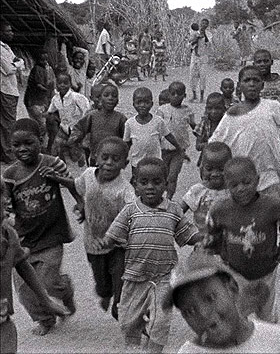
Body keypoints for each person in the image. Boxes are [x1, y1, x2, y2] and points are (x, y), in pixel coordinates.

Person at [98, 157, 201, 353]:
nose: (150, 187)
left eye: (156, 182)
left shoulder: (173, 210)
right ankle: (134, 344)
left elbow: (187, 234)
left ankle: (154, 350)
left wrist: (204, 239)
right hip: (135, 276)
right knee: (128, 320)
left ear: (166, 184)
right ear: (135, 185)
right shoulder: (130, 211)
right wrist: (107, 241)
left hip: (163, 277)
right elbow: (114, 233)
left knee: (161, 321)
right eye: (143, 182)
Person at [2, 118, 79, 335]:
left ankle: (65, 290)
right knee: (24, 288)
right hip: (24, 239)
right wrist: (6, 218)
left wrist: (80, 203)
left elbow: (73, 185)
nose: (22, 149)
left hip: (51, 236)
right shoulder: (10, 175)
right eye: (16, 145)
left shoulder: (52, 163)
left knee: (49, 281)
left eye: (28, 143)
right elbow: (5, 203)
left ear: (42, 140)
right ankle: (45, 319)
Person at [47, 136, 136, 320]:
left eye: (115, 159)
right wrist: (59, 179)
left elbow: (132, 214)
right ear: (96, 157)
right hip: (93, 243)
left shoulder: (125, 190)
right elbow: (77, 186)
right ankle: (106, 294)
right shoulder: (88, 175)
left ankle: (119, 306)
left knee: (119, 275)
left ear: (125, 163)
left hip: (118, 245)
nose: (109, 163)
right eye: (105, 157)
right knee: (102, 284)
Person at [205, 157, 280, 322]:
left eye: (246, 182)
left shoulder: (271, 206)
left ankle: (268, 340)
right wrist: (220, 254)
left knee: (265, 313)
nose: (240, 189)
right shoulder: (221, 209)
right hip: (235, 271)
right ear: (227, 185)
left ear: (257, 180)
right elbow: (213, 231)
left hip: (266, 271)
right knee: (238, 312)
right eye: (234, 185)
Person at [210, 66, 280, 199]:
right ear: (239, 86)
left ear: (262, 85)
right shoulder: (232, 114)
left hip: (269, 175)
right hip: (243, 178)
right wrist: (211, 172)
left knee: (271, 214)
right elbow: (215, 144)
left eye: (256, 80)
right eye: (247, 80)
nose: (252, 84)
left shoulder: (273, 107)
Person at [165, 252, 280, 353]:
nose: (203, 313)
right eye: (189, 311)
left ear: (232, 289)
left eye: (210, 298)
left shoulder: (273, 339)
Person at [0, 195, 69, 353]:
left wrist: (46, 300)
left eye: (2, 194)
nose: (5, 200)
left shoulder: (9, 234)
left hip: (3, 320)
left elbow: (22, 264)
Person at [124, 87, 187, 180]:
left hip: (156, 162)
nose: (142, 105)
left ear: (152, 104)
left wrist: (179, 148)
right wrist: (123, 158)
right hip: (137, 162)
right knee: (137, 183)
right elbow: (126, 143)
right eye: (139, 102)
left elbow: (168, 135)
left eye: (146, 102)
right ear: (134, 104)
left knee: (155, 182)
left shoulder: (158, 121)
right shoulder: (129, 123)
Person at [68, 83, 127, 166]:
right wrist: (75, 142)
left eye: (114, 96)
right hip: (95, 157)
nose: (110, 98)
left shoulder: (121, 118)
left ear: (117, 100)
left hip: (114, 159)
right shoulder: (92, 116)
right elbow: (79, 128)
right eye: (106, 95)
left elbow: (127, 138)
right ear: (100, 99)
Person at [157, 81, 196, 200]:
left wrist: (202, 133)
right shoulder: (162, 110)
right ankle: (158, 197)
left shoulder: (187, 111)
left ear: (184, 95)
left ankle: (169, 198)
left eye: (179, 94)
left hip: (179, 151)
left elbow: (194, 126)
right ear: (168, 94)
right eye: (172, 93)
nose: (175, 96)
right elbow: (156, 127)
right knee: (162, 175)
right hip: (163, 149)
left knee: (172, 176)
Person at [181, 142, 232, 234]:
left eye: (221, 169)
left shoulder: (233, 191)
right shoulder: (197, 191)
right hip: (203, 240)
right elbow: (179, 212)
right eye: (209, 169)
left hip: (228, 241)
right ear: (201, 168)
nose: (215, 174)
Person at [47, 73, 90, 167]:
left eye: (65, 83)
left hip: (75, 127)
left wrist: (82, 119)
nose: (62, 85)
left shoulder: (75, 97)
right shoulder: (56, 98)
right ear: (56, 84)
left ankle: (80, 157)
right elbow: (51, 110)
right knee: (56, 146)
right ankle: (60, 165)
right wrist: (48, 115)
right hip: (64, 126)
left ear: (70, 84)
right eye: (59, 83)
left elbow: (86, 107)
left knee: (72, 145)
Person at [1, 22, 25, 163]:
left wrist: (17, 63)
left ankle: (5, 153)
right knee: (8, 123)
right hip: (5, 89)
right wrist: (18, 63)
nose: (11, 33)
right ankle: (9, 155)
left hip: (11, 88)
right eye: (8, 31)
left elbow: (18, 64)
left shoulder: (7, 48)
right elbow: (9, 69)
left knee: (7, 122)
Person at [24, 50, 56, 151]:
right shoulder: (38, 69)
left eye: (46, 59)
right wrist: (49, 91)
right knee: (41, 125)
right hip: (34, 101)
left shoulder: (46, 69)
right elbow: (39, 85)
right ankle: (37, 147)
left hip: (40, 101)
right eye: (42, 59)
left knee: (40, 125)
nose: (45, 61)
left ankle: (37, 146)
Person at [194, 93, 226, 166]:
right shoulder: (204, 123)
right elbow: (198, 146)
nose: (213, 111)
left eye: (217, 108)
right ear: (206, 109)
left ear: (224, 109)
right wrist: (212, 143)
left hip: (224, 160)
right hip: (207, 160)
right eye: (210, 108)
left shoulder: (227, 123)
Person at [190, 19, 210, 102]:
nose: (203, 25)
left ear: (207, 25)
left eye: (206, 24)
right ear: (200, 23)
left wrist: (203, 34)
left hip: (203, 58)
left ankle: (202, 97)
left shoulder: (209, 34)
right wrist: (196, 38)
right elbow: (189, 43)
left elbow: (208, 43)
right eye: (202, 23)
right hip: (194, 57)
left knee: (203, 77)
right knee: (192, 77)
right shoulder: (194, 33)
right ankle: (194, 95)